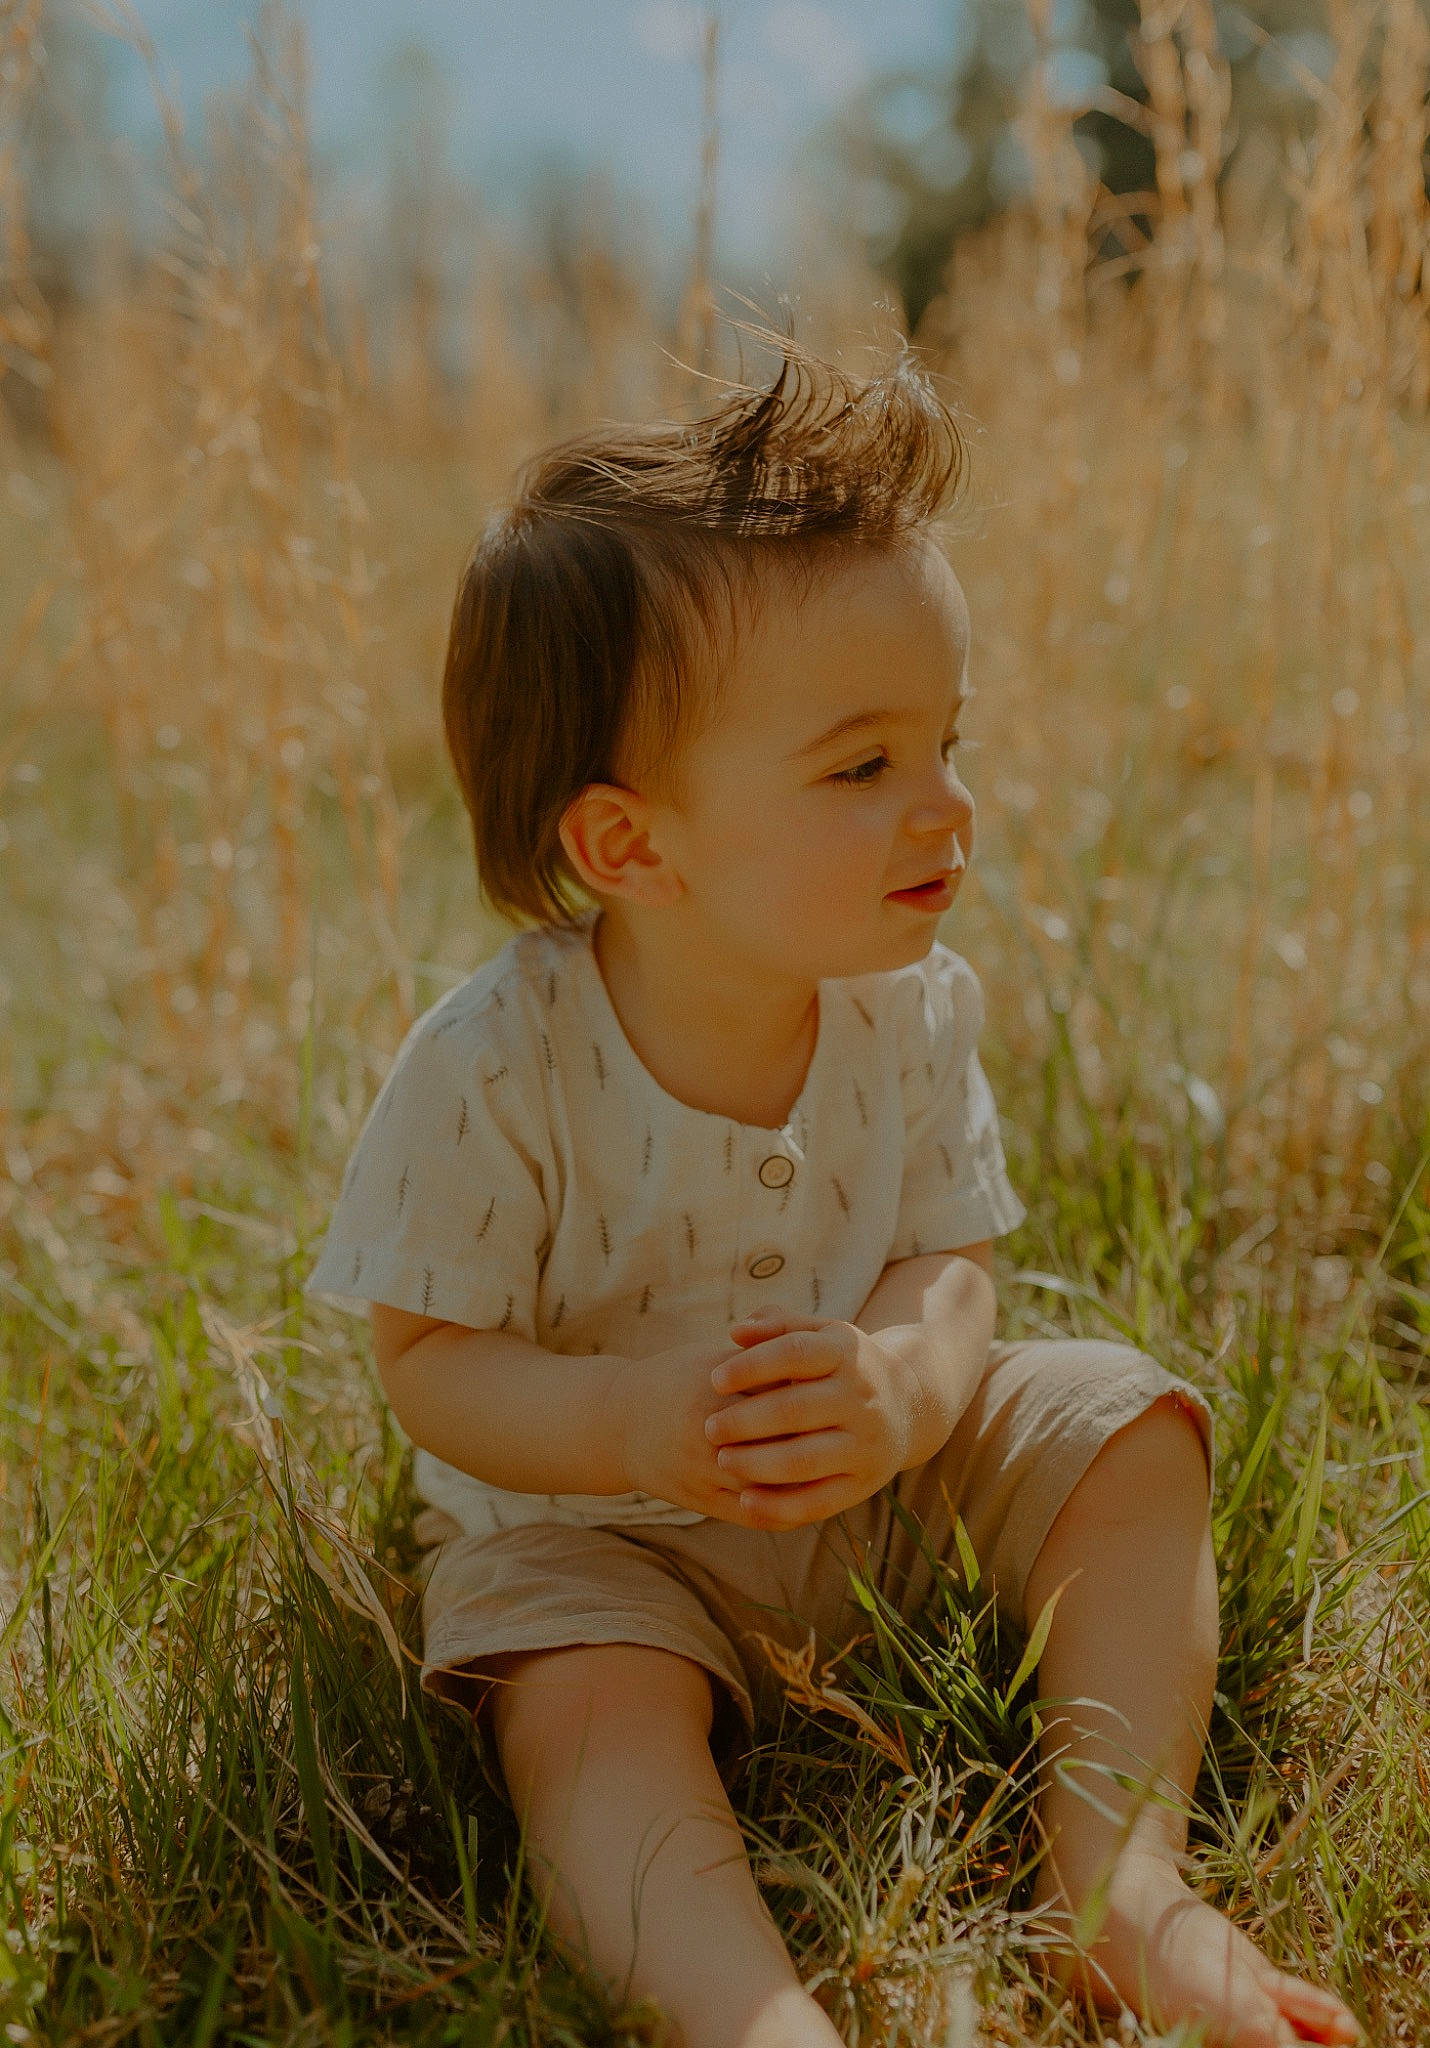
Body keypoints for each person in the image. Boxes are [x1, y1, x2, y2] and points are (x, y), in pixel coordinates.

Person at [304, 328, 1360, 2048]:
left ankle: (1118, 1880)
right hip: (603, 1536)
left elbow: (950, 1255)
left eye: (948, 740)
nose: (946, 805)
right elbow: (428, 1361)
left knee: (1122, 1418)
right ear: (631, 845)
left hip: (879, 1493)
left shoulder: (910, 1003)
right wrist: (632, 1430)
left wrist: (902, 1384)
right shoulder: (495, 1063)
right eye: (860, 766)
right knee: (583, 1706)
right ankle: (746, 2011)